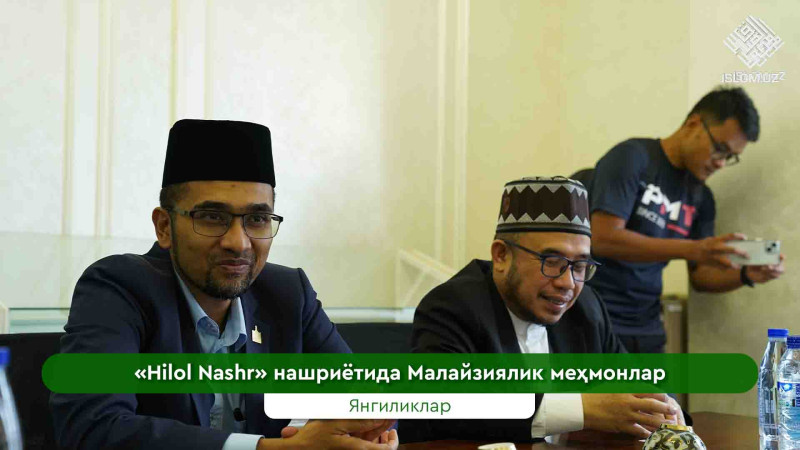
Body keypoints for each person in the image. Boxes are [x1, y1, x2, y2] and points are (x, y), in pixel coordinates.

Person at [50, 120, 398, 450]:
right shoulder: (119, 287)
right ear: (164, 227)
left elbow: (366, 401)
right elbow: (93, 429)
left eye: (257, 219)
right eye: (212, 217)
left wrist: (367, 434)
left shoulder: (289, 292)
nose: (239, 242)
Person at [401, 177, 683, 444]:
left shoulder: (586, 308)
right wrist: (583, 409)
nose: (567, 283)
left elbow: (633, 378)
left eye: (580, 266)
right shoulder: (453, 305)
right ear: (501, 255)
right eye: (552, 261)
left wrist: (664, 405)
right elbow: (447, 405)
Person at [586, 87, 785, 353]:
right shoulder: (632, 157)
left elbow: (701, 277)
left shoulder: (702, 198)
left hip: (647, 326)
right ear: (693, 124)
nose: (721, 163)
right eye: (720, 149)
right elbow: (603, 238)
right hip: (594, 319)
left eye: (730, 157)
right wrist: (693, 248)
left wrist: (745, 274)